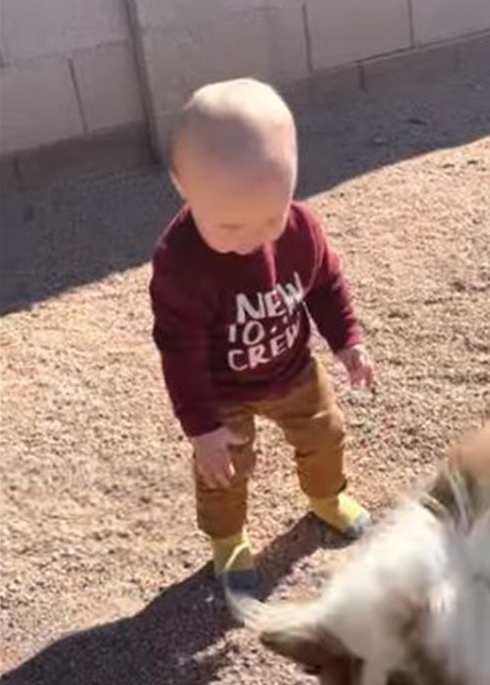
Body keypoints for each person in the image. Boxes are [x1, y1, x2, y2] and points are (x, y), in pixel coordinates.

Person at [150, 78, 373, 602]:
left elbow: (324, 283)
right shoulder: (180, 263)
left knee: (325, 432)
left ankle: (326, 496)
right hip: (220, 388)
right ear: (182, 185)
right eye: (229, 226)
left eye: (270, 218)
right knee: (223, 468)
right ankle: (227, 539)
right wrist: (201, 426)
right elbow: (178, 350)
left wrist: (346, 340)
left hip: (293, 369)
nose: (251, 238)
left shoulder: (301, 229)